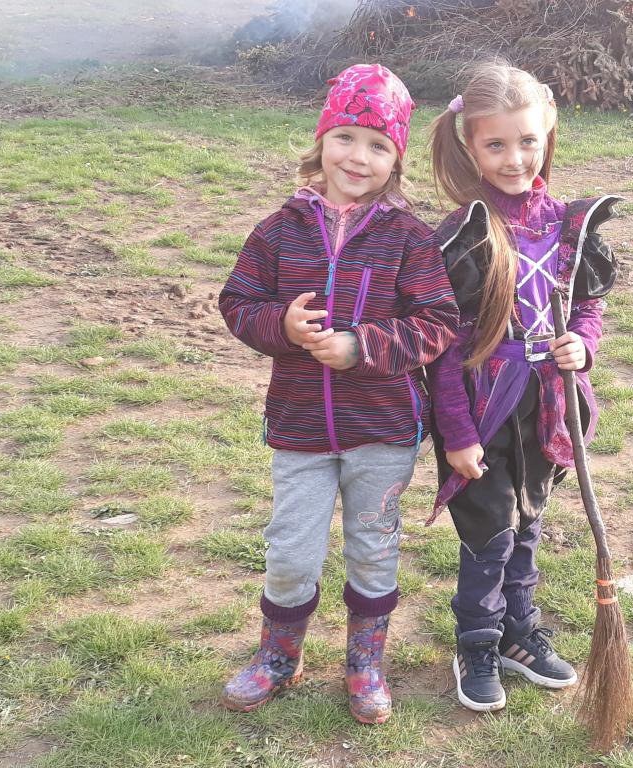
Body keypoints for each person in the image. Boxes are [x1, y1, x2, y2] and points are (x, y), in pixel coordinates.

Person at [217, 63, 458, 724]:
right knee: (290, 550)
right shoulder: (278, 230)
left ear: (396, 160)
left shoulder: (410, 238)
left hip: (382, 430)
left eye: (378, 145)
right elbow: (237, 302)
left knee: (373, 549)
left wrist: (363, 347)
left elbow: (438, 323)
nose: (358, 156)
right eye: (346, 137)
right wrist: (282, 327)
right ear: (322, 140)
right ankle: (278, 656)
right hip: (299, 428)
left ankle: (364, 663)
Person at [427, 63, 618, 712]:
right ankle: (477, 642)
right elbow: (445, 348)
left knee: (529, 517)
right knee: (490, 527)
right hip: (483, 403)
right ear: (470, 145)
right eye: (496, 145)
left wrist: (582, 344)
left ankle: (519, 632)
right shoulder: (465, 235)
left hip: (548, 402)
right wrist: (456, 433)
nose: (514, 158)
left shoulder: (566, 225)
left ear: (549, 132)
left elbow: (586, 305)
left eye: (527, 141)